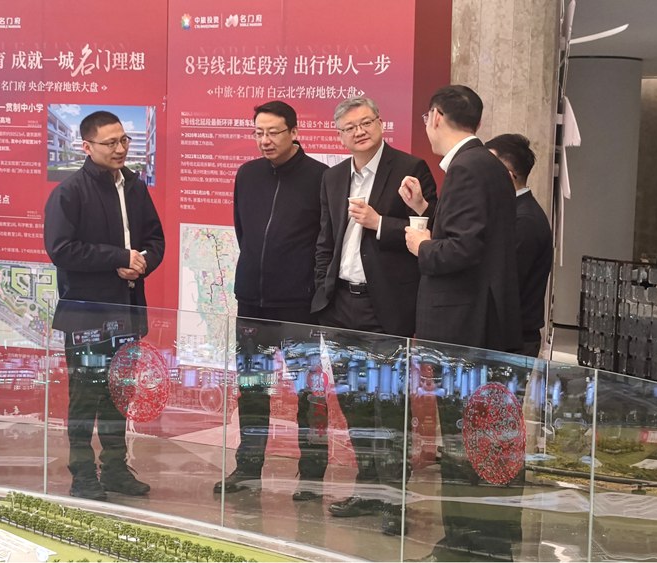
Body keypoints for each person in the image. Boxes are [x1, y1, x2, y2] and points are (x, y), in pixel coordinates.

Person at [399, 85, 523, 560]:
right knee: (478, 439)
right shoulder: (484, 165)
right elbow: (476, 236)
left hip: (464, 329)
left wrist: (423, 246)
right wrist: (426, 213)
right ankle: (478, 541)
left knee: (464, 441)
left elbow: (464, 249)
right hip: (478, 324)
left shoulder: (468, 167)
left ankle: (465, 543)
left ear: (435, 116)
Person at [311, 96, 437, 528]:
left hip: (384, 308)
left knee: (390, 406)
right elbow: (325, 240)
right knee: (354, 403)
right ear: (340, 136)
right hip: (339, 306)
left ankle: (394, 501)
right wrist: (322, 291)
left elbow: (433, 228)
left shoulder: (410, 169)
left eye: (366, 122)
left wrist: (380, 222)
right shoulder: (332, 177)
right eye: (350, 127)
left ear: (381, 124)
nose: (360, 131)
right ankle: (367, 490)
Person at [44, 110, 165, 501]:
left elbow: (155, 239)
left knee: (119, 394)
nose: (120, 148)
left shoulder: (135, 186)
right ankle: (82, 474)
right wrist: (118, 258)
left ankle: (114, 468)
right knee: (85, 397)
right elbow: (61, 249)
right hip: (88, 316)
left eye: (123, 140)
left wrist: (142, 262)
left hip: (128, 311)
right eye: (110, 142)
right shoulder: (70, 192)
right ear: (87, 146)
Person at [214, 101, 330, 500]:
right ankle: (247, 470)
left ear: (294, 132)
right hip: (252, 302)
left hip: (299, 305)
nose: (265, 140)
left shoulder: (320, 178)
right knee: (252, 388)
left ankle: (312, 476)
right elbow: (243, 232)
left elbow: (325, 242)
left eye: (273, 132)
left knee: (309, 392)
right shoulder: (247, 175)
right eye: (258, 132)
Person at [485, 133, 553, 358]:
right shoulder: (514, 212)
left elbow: (504, 281)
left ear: (507, 175)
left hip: (514, 340)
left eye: (487, 168)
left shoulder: (524, 220)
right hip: (508, 335)